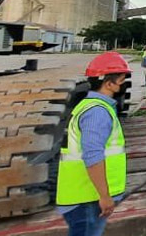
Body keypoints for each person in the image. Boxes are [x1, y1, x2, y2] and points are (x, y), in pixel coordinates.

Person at [56, 52, 131, 236]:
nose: (124, 86)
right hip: (88, 199)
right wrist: (104, 196)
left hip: (86, 196)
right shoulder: (97, 112)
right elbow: (93, 155)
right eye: (121, 81)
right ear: (108, 83)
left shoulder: (90, 106)